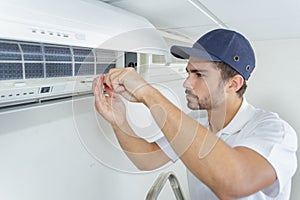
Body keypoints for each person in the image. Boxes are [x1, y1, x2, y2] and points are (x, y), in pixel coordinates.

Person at [93, 29, 298, 199]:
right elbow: (147, 159)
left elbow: (234, 183)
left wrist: (147, 93)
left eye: (199, 74)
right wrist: (118, 119)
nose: (186, 83)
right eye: (188, 72)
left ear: (233, 84)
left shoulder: (274, 131)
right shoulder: (196, 124)